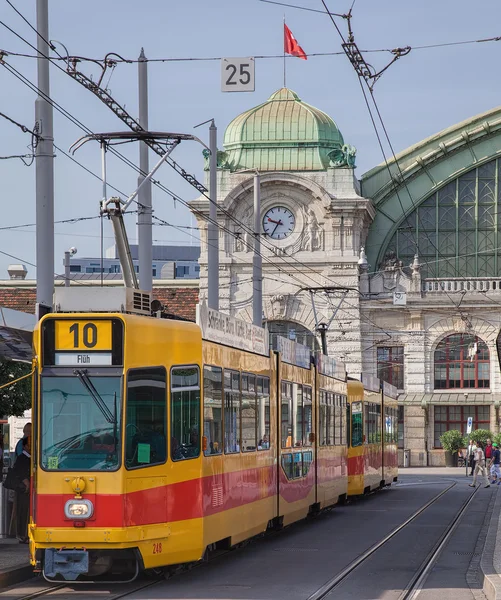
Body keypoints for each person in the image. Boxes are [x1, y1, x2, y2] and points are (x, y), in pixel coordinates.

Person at [12, 436, 30, 543]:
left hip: (28, 489)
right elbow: (18, 472)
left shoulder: (32, 457)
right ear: (24, 446)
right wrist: (25, 481)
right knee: (23, 511)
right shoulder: (22, 458)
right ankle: (22, 534)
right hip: (23, 490)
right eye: (28, 445)